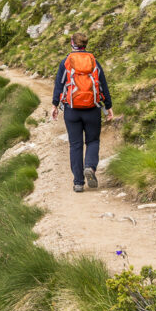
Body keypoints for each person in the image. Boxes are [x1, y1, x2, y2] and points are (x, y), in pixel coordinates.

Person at [50, 32, 113, 192]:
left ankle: (78, 182)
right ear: (85, 44)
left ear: (72, 44)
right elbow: (102, 85)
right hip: (92, 109)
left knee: (75, 145)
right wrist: (108, 106)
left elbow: (59, 84)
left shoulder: (66, 62)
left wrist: (55, 105)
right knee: (92, 141)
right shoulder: (94, 62)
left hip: (72, 109)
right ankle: (90, 168)